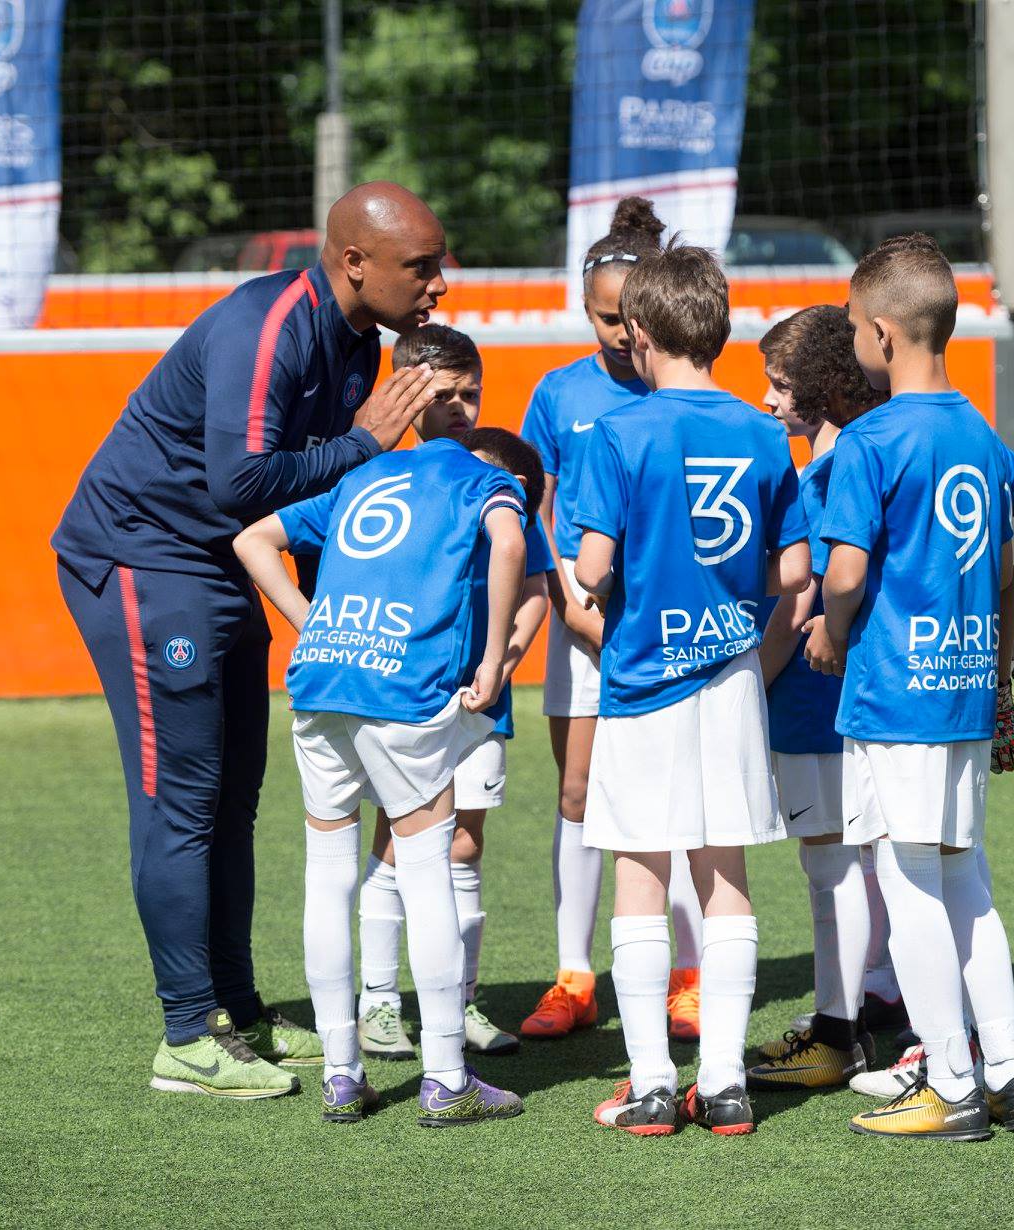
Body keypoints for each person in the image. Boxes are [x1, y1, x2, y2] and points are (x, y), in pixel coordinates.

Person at [53, 182, 449, 1099]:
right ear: (356, 262)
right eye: (421, 266)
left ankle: (237, 1012)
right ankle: (187, 1036)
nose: (439, 285)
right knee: (182, 801)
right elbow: (241, 482)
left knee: (235, 801)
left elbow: (301, 498)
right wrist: (364, 444)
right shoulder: (267, 325)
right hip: (145, 559)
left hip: (220, 563)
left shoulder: (358, 340)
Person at [805, 234, 1014, 1140]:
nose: (854, 340)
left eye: (853, 326)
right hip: (964, 687)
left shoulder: (873, 439)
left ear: (882, 334)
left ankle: (952, 1085)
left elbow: (846, 573)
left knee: (909, 876)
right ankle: (1010, 1074)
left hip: (899, 693)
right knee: (965, 877)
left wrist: (827, 628)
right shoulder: (974, 428)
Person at [573, 243, 810, 1136]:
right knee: (726, 877)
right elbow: (794, 570)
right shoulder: (763, 432)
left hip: (644, 680)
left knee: (641, 874)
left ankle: (649, 1086)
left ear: (637, 332)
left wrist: (602, 577)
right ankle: (724, 1083)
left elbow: (591, 569)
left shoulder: (620, 432)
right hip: (732, 676)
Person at [232, 429, 533, 1127]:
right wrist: (493, 661)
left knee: (328, 875)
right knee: (426, 875)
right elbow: (511, 546)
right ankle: (448, 1079)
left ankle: (341, 1074)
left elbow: (252, 540)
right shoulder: (483, 480)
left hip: (321, 683)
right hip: (404, 690)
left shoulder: (365, 478)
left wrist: (312, 624)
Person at [518, 197, 708, 1043]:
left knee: (681, 800)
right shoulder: (559, 393)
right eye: (605, 319)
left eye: (633, 318)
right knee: (578, 791)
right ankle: (574, 977)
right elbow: (540, 505)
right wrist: (570, 605)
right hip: (584, 618)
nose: (623, 335)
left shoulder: (687, 389)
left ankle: (689, 976)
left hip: (669, 622)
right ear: (584, 309)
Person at [353, 326, 555, 1061]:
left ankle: (460, 999)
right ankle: (378, 1002)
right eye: (447, 395)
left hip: (479, 703)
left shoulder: (499, 485)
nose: (462, 408)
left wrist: (502, 660)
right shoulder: (391, 480)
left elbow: (536, 587)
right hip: (406, 695)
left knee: (465, 843)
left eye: (472, 393)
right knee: (395, 837)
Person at [739, 305, 895, 1092]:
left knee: (830, 862)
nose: (769, 399)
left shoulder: (831, 471)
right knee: (858, 858)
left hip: (813, 696)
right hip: (849, 693)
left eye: (780, 383)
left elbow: (799, 604)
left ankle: (837, 1033)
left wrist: (750, 685)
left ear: (822, 384)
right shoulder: (851, 456)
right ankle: (870, 1004)